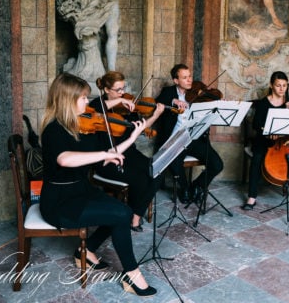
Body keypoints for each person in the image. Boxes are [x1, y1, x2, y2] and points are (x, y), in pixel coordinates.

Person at [39, 72, 156, 297]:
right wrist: (102, 154)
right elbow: (65, 159)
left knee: (124, 211)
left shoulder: (80, 126)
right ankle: (132, 274)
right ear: (67, 100)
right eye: (83, 98)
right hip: (59, 202)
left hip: (80, 190)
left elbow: (108, 152)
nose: (88, 102)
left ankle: (88, 249)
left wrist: (132, 138)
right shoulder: (53, 129)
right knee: (120, 214)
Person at [89, 71, 165, 232]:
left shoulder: (127, 108)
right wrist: (120, 100)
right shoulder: (96, 106)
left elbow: (141, 126)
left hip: (130, 153)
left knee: (158, 171)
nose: (123, 93)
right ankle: (134, 219)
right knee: (140, 180)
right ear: (107, 90)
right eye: (118, 90)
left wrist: (156, 115)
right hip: (107, 158)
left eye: (123, 89)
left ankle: (135, 214)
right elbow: (97, 109)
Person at [241, 71, 289, 210]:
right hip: (265, 141)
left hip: (286, 142)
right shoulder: (263, 103)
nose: (281, 89)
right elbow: (256, 125)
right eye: (278, 85)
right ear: (272, 86)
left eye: (284, 86)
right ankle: (252, 197)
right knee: (257, 159)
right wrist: (268, 134)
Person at [155, 64, 224, 204]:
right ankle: (184, 188)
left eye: (190, 76)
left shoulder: (198, 93)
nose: (189, 80)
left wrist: (218, 104)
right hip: (176, 139)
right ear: (176, 80)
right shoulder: (168, 92)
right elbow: (158, 102)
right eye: (184, 77)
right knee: (174, 161)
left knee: (217, 164)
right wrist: (174, 101)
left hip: (196, 138)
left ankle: (196, 186)